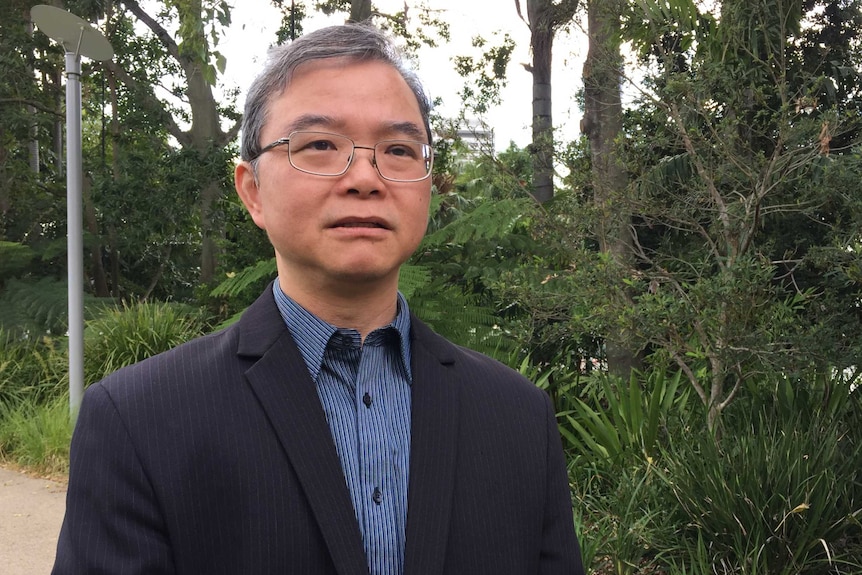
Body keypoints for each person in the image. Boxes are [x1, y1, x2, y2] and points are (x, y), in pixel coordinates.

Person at [52, 22, 585, 575]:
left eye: (399, 149)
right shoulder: (139, 419)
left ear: (429, 184)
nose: (365, 178)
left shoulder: (519, 417)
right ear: (252, 190)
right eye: (321, 145)